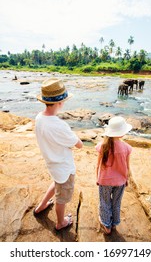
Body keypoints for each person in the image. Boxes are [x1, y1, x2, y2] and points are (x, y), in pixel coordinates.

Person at [34, 77, 83, 231]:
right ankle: (60, 222)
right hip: (64, 167)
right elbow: (79, 145)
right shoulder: (60, 125)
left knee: (57, 182)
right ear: (60, 103)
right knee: (61, 198)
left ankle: (41, 206)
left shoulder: (39, 117)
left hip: (52, 164)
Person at [95, 116, 132, 235]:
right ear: (122, 133)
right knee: (116, 203)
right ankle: (115, 223)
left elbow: (98, 165)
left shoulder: (102, 145)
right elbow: (127, 166)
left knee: (104, 202)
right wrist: (126, 179)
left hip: (105, 181)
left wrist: (98, 178)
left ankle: (106, 226)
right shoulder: (126, 148)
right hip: (120, 181)